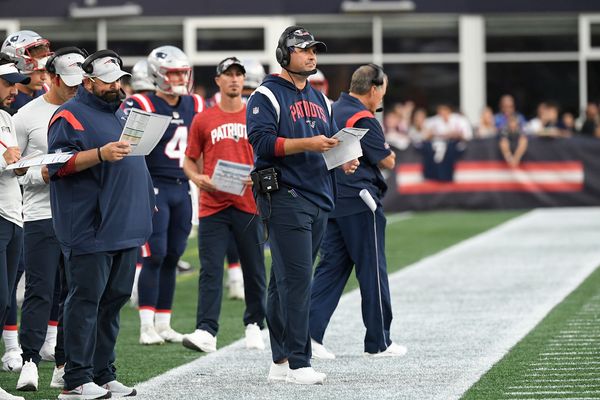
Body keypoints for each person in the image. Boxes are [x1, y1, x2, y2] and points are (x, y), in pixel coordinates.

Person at [246, 25, 358, 385]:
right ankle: (299, 361)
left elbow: (327, 143)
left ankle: (279, 360)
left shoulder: (320, 98)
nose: (311, 55)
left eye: (314, 50)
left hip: (318, 195)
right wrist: (308, 144)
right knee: (296, 281)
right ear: (284, 54)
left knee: (283, 282)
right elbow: (262, 143)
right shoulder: (266, 94)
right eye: (303, 49)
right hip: (285, 195)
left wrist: (343, 158)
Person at [47, 49, 154, 399]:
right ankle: (75, 380)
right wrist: (100, 154)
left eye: (118, 80)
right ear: (88, 82)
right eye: (107, 82)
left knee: (113, 301)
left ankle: (103, 373)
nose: (115, 87)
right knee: (85, 302)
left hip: (124, 224)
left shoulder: (123, 113)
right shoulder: (69, 115)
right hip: (89, 226)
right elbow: (56, 167)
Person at [309, 64, 406, 360]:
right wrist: (390, 154)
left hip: (332, 199)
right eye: (382, 92)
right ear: (374, 89)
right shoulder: (363, 116)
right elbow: (387, 161)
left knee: (331, 268)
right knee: (372, 271)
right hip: (361, 201)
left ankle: (308, 336)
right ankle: (379, 342)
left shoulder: (332, 109)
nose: (381, 99)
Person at [12, 47, 86, 393]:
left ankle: (64, 363)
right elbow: (14, 172)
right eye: (68, 81)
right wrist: (44, 173)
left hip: (80, 215)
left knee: (76, 291)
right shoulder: (26, 116)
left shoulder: (87, 110)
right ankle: (29, 360)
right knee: (41, 290)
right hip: (41, 213)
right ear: (50, 77)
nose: (75, 88)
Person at [181, 56, 267, 353]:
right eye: (227, 74)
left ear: (244, 80)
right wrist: (197, 178)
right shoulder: (204, 118)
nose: (233, 79)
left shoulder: (256, 116)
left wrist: (258, 177)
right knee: (210, 270)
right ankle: (206, 330)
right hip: (213, 204)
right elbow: (189, 158)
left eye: (238, 75)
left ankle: (255, 323)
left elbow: (269, 156)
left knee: (255, 269)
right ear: (218, 80)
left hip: (247, 203)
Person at [122, 45, 204, 346]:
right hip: (153, 186)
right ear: (157, 75)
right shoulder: (140, 102)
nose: (180, 78)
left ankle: (164, 322)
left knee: (172, 256)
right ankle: (146, 325)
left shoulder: (194, 103)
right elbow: (128, 148)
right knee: (154, 255)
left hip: (182, 188)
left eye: (183, 72)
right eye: (173, 73)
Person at [0, 53, 29, 400]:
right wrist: (8, 162)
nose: (15, 91)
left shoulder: (6, 118)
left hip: (12, 212)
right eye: (8, 84)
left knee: (7, 299)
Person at [1, 30, 51, 110]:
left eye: (45, 71)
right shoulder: (6, 97)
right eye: (39, 70)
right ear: (18, 63)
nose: (44, 77)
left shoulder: (46, 90)